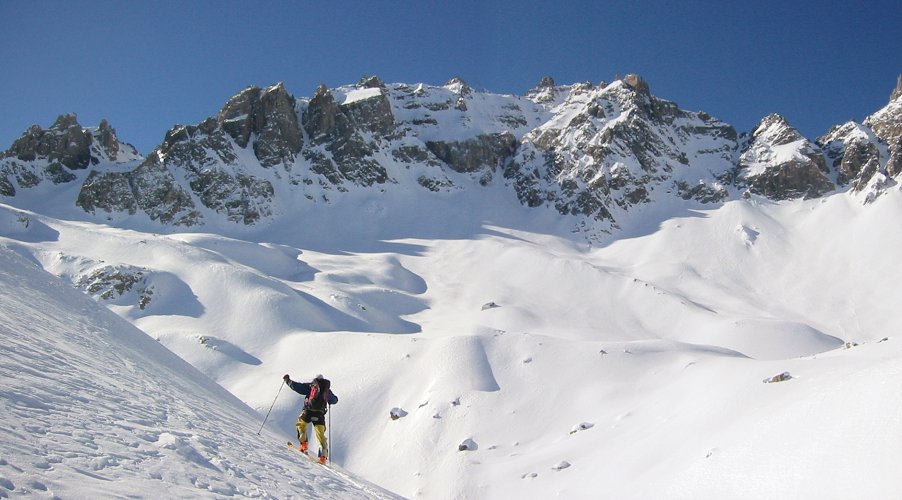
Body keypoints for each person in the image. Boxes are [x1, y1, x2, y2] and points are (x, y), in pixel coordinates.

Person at [283, 373, 338, 464]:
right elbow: (334, 400)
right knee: (320, 434)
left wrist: (288, 381)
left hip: (307, 412)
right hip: (319, 414)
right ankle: (323, 457)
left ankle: (303, 445)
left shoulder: (311, 386)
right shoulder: (327, 390)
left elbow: (298, 387)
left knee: (301, 425)